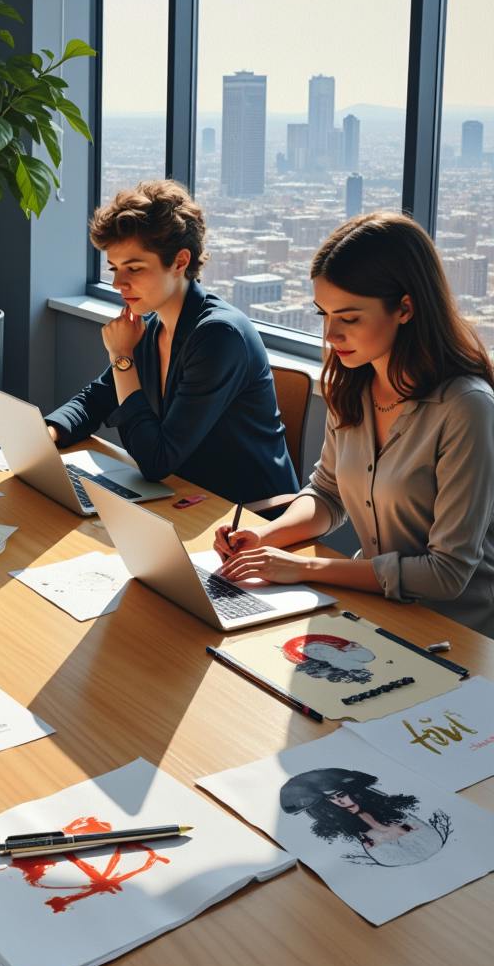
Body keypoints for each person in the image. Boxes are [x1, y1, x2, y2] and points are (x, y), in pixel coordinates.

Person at [214, 212, 494, 638]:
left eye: (349, 317)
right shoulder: (354, 384)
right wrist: (265, 537)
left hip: (454, 633)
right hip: (375, 612)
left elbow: (447, 574)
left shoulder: (466, 408)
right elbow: (327, 494)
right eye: (324, 314)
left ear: (405, 308)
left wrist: (304, 566)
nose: (330, 334)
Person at [44, 180, 298, 505]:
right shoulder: (151, 326)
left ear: (179, 262)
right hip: (183, 498)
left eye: (134, 268)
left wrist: (122, 356)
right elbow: (97, 399)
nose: (119, 283)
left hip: (242, 519)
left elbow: (156, 462)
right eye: (115, 269)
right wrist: (47, 435)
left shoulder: (218, 336)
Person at [279, 768, 448, 868]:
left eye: (341, 794)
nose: (339, 801)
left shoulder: (398, 814)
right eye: (332, 798)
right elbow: (391, 861)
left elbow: (432, 843)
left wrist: (398, 831)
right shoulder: (350, 838)